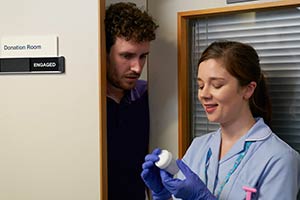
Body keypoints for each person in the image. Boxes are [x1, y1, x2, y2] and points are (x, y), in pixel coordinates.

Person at [141, 41, 300, 200]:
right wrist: (163, 195)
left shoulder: (280, 158)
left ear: (248, 89)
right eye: (201, 85)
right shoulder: (198, 147)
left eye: (216, 85)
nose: (204, 94)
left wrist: (202, 198)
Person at [105, 2, 158, 200]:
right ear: (104, 53)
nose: (137, 67)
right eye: (126, 56)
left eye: (143, 56)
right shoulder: (87, 104)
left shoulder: (145, 96)